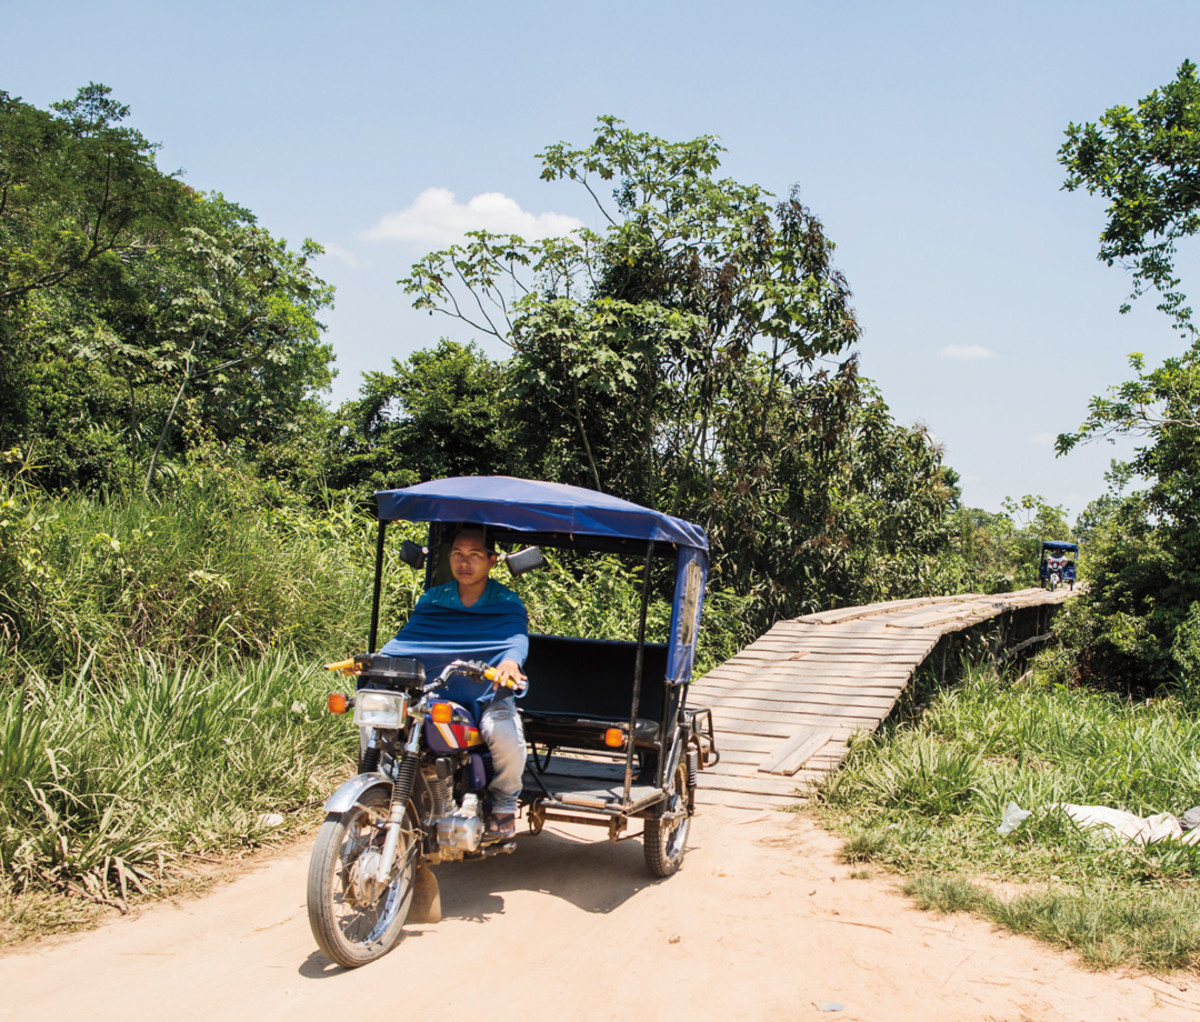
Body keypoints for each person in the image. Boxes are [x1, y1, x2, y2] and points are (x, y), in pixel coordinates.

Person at [379, 525, 528, 840]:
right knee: (380, 719)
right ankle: (383, 788)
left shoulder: (506, 600)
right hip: (436, 691)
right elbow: (409, 641)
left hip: (487, 692)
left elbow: (515, 639)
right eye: (457, 554)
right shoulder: (433, 599)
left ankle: (504, 801)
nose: (464, 562)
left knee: (505, 735)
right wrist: (376, 660)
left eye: (474, 555)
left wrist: (510, 663)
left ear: (491, 561)